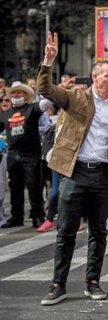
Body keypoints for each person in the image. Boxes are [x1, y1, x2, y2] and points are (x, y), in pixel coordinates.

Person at [37, 32, 108, 306]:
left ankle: (93, 281)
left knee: (99, 232)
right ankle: (58, 284)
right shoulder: (76, 98)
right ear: (95, 77)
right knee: (65, 230)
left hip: (104, 176)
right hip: (74, 173)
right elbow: (46, 90)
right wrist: (48, 61)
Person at [0, 80, 53, 228]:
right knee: (15, 187)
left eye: (20, 92)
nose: (16, 94)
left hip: (31, 156)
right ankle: (17, 217)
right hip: (13, 156)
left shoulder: (32, 108)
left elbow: (48, 102)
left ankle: (38, 216)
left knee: (34, 187)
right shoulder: (5, 114)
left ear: (26, 95)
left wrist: (54, 87)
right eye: (14, 92)